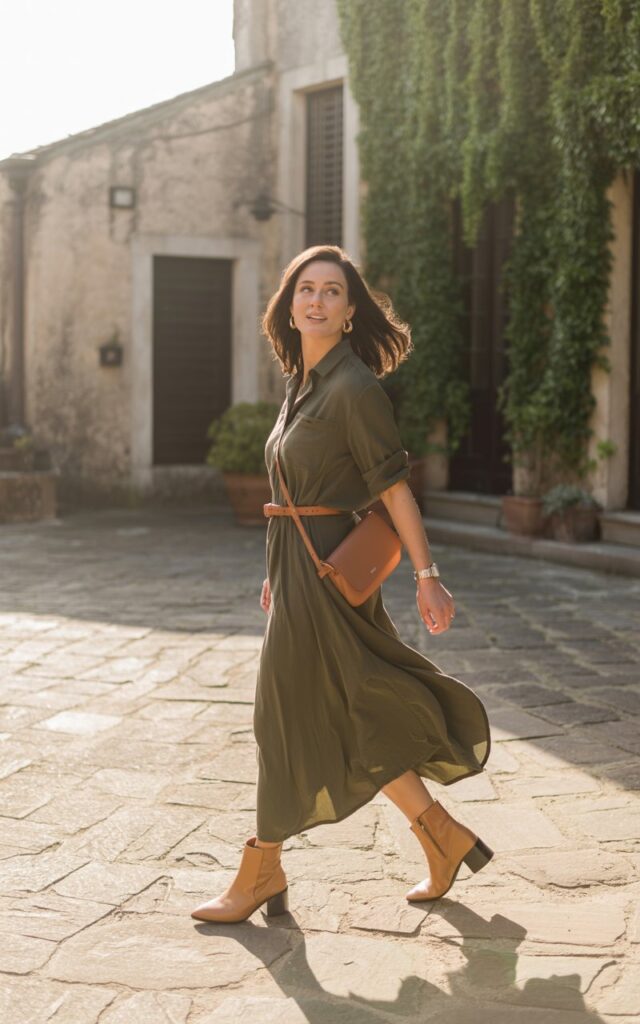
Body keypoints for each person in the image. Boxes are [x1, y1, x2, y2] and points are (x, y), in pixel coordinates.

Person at [191, 245, 492, 924]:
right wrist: (276, 572)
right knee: (352, 711)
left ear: (351, 310)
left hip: (330, 577)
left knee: (281, 716)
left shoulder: (355, 388)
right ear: (289, 304)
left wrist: (428, 577)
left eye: (332, 291)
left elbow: (394, 490)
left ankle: (262, 868)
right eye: (306, 289)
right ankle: (442, 838)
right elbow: (291, 492)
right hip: (299, 569)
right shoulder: (303, 383)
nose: (317, 300)